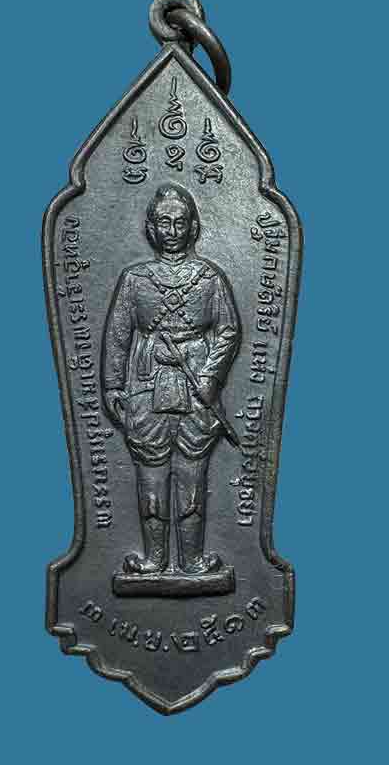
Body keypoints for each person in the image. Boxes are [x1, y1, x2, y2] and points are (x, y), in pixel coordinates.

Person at [102, 183, 240, 575]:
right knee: (151, 472)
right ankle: (155, 559)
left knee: (192, 471)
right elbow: (118, 335)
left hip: (196, 385)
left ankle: (192, 560)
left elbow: (228, 330)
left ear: (193, 227)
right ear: (151, 227)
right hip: (147, 385)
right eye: (164, 222)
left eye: (180, 222)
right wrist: (113, 385)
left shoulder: (208, 278)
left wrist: (210, 376)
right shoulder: (135, 279)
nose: (172, 230)